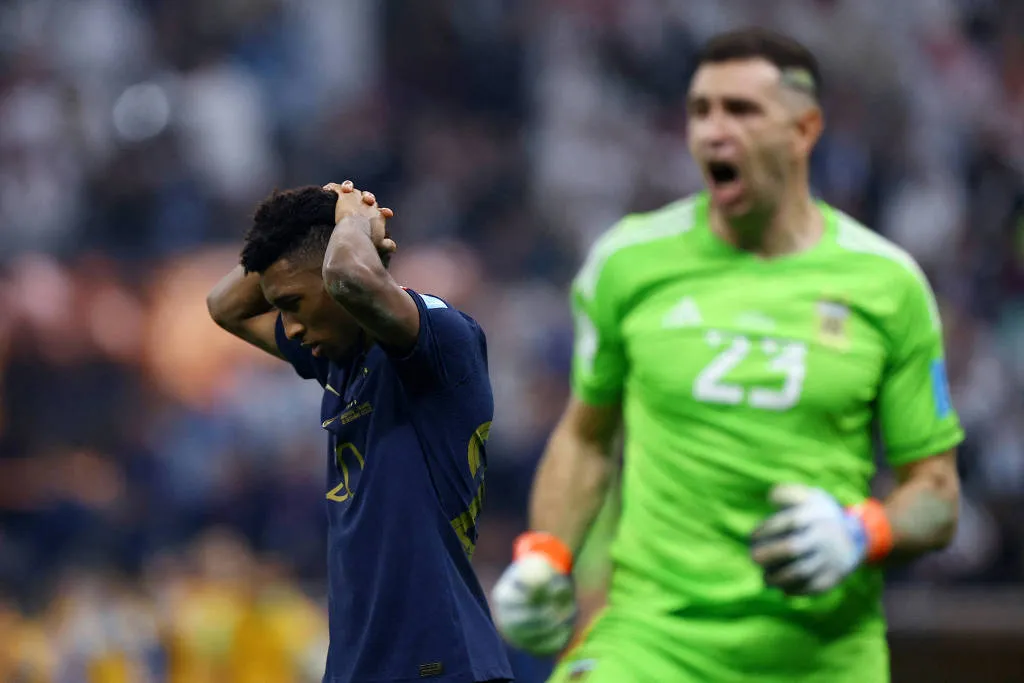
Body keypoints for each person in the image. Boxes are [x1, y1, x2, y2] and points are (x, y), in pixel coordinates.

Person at [491, 28, 964, 683]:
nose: (714, 131)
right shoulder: (628, 263)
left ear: (804, 129)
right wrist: (545, 554)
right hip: (656, 641)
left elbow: (937, 494)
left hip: (820, 654)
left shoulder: (889, 284)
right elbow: (586, 437)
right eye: (701, 110)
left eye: (741, 110)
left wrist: (864, 531)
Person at [207, 181, 512, 683]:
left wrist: (353, 224)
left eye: (293, 303)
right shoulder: (343, 360)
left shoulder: (441, 339)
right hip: (361, 667)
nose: (291, 328)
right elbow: (225, 306)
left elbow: (348, 275)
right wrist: (312, 224)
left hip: (440, 661)